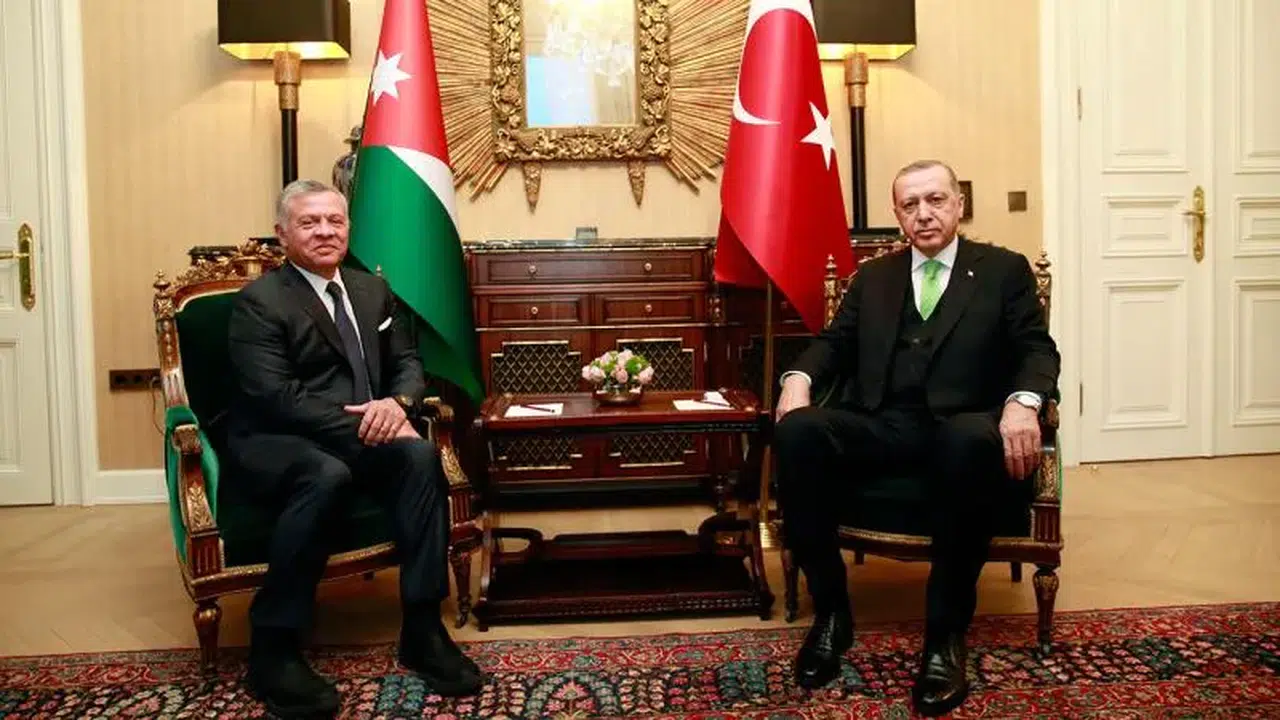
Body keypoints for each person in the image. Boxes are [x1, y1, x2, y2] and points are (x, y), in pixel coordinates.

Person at [773, 160, 1060, 716]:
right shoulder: (873, 278)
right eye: (910, 205)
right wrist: (798, 379)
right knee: (799, 431)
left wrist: (1023, 403)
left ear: (959, 205)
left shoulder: (1003, 270)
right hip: (883, 422)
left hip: (964, 425)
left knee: (967, 442)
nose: (924, 214)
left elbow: (1035, 348)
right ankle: (831, 614)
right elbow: (833, 343)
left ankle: (945, 637)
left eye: (935, 200)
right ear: (898, 215)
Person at [225, 179, 482, 718]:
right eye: (309, 222)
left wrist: (399, 405)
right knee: (325, 474)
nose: (325, 231)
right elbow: (276, 398)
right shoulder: (260, 302)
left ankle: (422, 629)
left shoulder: (372, 290)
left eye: (334, 221)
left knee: (420, 457)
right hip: (280, 438)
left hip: (365, 430)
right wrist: (375, 423)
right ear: (282, 234)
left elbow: (407, 362)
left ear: (348, 228)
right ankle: (274, 645)